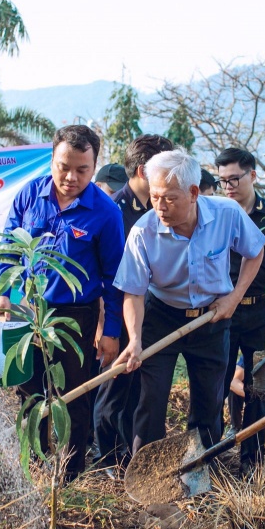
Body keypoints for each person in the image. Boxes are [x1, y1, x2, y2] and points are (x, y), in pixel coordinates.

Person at [0, 125, 124, 482]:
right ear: (52, 160)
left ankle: (69, 474)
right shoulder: (29, 196)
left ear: (94, 167)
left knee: (72, 397)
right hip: (28, 310)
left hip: (75, 316)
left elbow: (114, 280)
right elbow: (8, 249)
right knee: (28, 393)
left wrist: (110, 331)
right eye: (64, 166)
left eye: (82, 170)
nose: (71, 177)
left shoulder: (106, 212)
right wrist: (3, 290)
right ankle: (33, 467)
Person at [114, 150, 265, 454]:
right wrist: (134, 339)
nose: (160, 206)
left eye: (169, 198)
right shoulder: (143, 231)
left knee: (210, 400)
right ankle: (150, 474)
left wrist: (233, 298)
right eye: (155, 197)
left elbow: (255, 252)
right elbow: (134, 291)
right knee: (151, 398)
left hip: (211, 318)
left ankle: (199, 471)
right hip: (161, 316)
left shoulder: (227, 214)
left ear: (194, 192)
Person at [93, 134, 173, 475]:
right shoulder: (114, 210)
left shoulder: (158, 209)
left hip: (148, 316)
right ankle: (107, 457)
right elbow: (102, 274)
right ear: (143, 170)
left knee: (139, 393)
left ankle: (128, 457)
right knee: (112, 391)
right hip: (116, 316)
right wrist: (104, 325)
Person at [216, 147, 265, 474]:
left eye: (235, 179)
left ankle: (252, 459)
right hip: (221, 311)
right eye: (222, 181)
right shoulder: (215, 212)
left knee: (259, 387)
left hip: (263, 314)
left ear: (253, 176)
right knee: (216, 382)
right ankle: (210, 455)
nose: (229, 186)